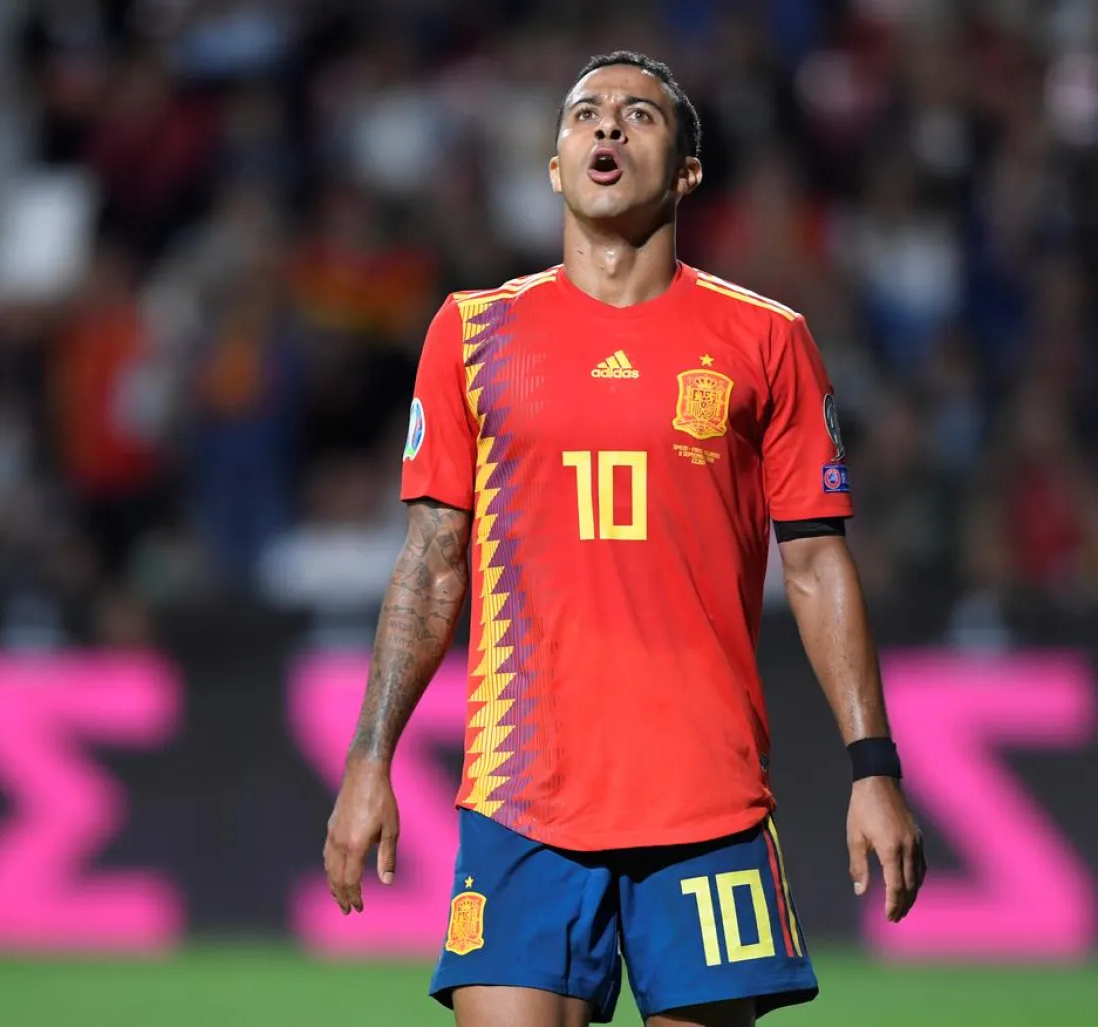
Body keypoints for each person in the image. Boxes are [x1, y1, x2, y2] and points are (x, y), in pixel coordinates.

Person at [322, 51, 926, 1027]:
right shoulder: (470, 334)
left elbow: (816, 567)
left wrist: (874, 770)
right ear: (557, 166)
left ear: (687, 170)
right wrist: (368, 760)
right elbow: (430, 565)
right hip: (524, 799)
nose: (607, 127)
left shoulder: (765, 340)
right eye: (584, 114)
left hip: (707, 801)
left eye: (639, 116)